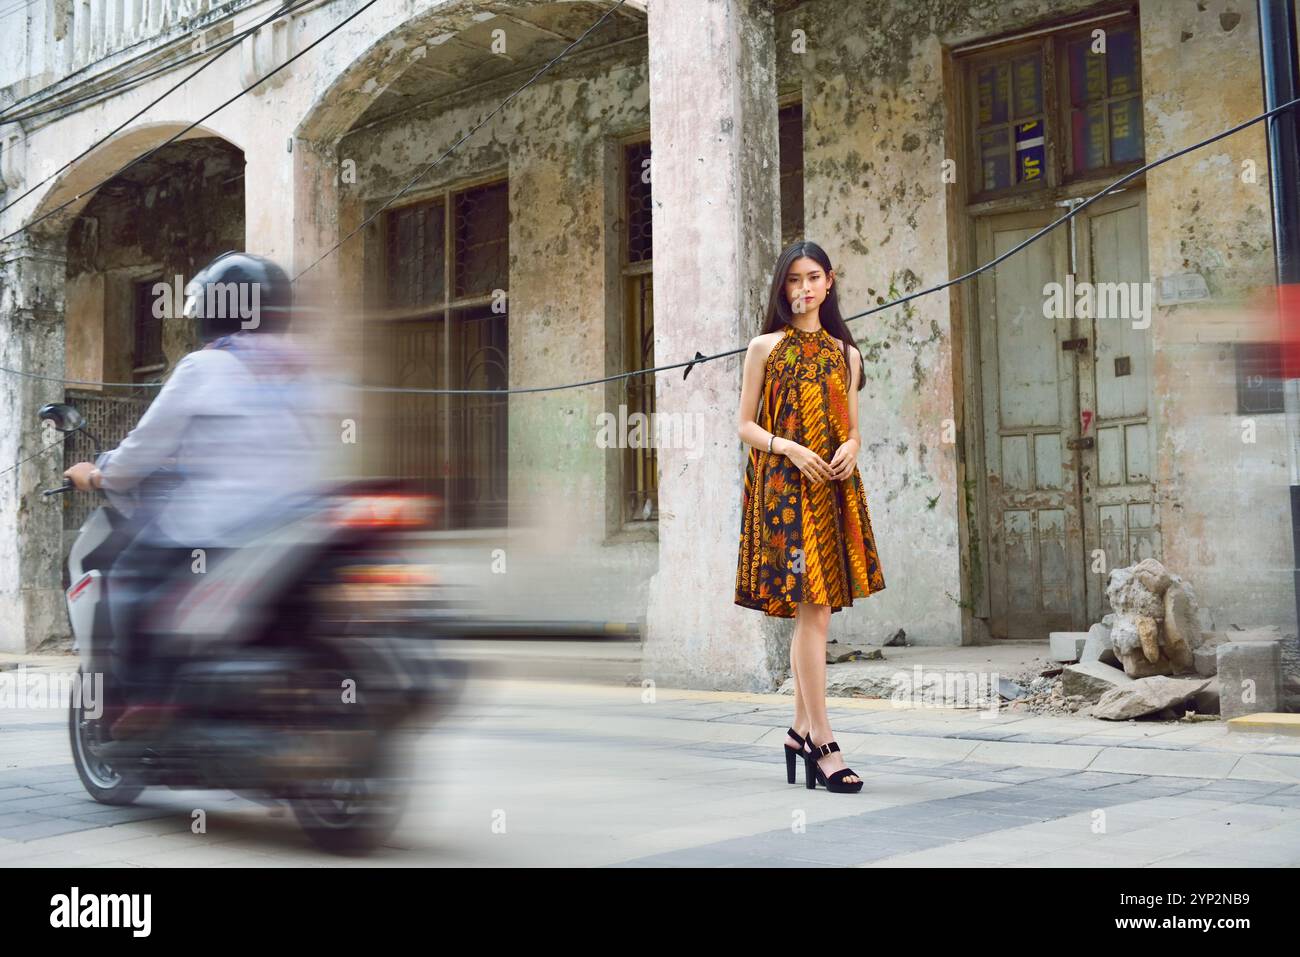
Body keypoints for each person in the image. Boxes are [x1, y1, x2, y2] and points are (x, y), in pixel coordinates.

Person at [63, 251, 331, 736]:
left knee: (129, 579)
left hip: (220, 530)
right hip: (299, 527)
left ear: (214, 309)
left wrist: (97, 475)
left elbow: (138, 454)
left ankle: (148, 700)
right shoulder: (305, 370)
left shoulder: (204, 368)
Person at [733, 239, 886, 794]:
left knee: (816, 614)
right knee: (813, 611)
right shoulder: (764, 348)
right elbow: (744, 424)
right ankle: (822, 739)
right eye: (793, 280)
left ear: (829, 281)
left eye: (813, 277)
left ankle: (799, 729)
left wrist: (853, 446)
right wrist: (789, 447)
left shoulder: (847, 353)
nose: (803, 289)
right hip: (783, 490)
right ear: (782, 287)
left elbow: (852, 426)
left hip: (834, 490)